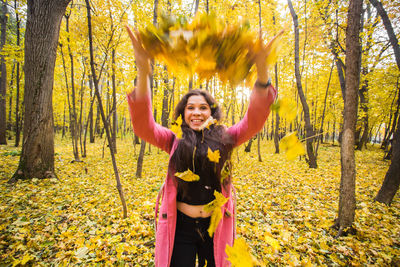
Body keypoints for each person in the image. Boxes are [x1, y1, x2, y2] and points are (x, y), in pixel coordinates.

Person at [126, 25, 277, 267]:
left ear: (212, 112)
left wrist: (261, 67)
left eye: (203, 107)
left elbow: (255, 119)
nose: (197, 112)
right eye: (191, 107)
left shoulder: (227, 137)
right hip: (180, 228)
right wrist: (143, 69)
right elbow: (144, 125)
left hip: (215, 229)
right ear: (182, 113)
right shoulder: (172, 139)